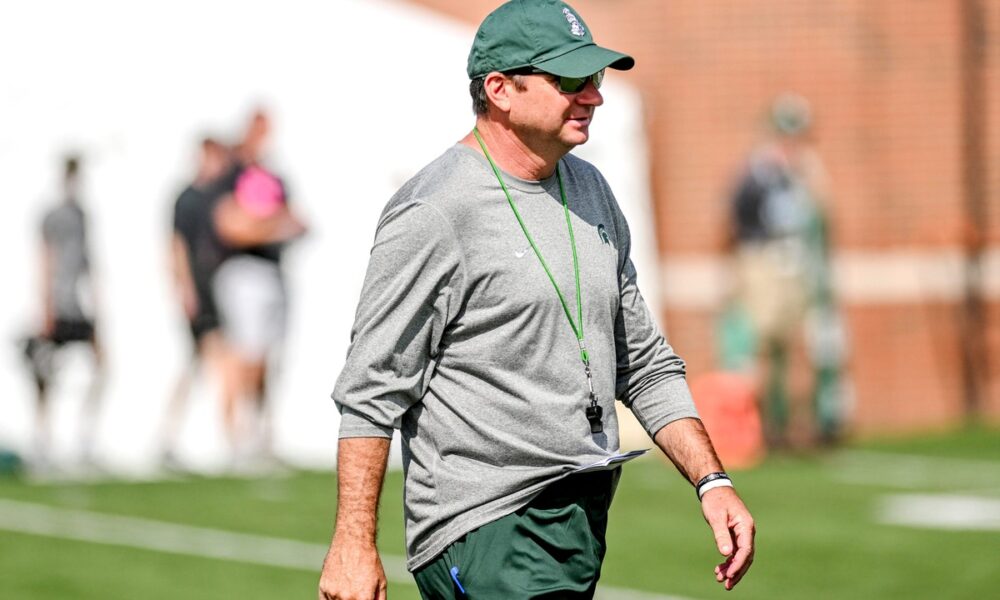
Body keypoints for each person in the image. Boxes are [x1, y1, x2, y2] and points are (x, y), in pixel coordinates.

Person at [318, 1, 755, 598]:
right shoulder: (434, 211)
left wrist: (713, 483)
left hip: (579, 516)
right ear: (499, 89)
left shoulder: (593, 189)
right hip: (485, 528)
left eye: (595, 78)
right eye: (570, 79)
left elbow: (645, 363)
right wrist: (352, 542)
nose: (593, 96)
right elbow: (372, 387)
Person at [728, 93, 847, 447]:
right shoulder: (758, 171)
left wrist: (810, 174)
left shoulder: (803, 175)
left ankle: (797, 425)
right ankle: (763, 428)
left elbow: (826, 215)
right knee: (765, 346)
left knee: (796, 347)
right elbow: (737, 221)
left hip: (796, 267)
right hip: (764, 263)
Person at [211, 110, 306, 467]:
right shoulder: (232, 176)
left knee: (268, 360)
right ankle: (236, 439)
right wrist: (271, 227)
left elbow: (297, 221)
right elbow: (232, 227)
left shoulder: (275, 177)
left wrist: (265, 225)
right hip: (243, 274)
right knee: (243, 358)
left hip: (272, 272)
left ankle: (261, 437)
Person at [21, 155, 104, 472]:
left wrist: (97, 305)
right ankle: (42, 440)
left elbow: (89, 262)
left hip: (79, 305)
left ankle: (85, 438)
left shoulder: (83, 215)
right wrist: (45, 306)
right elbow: (45, 258)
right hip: (57, 304)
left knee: (100, 367)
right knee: (44, 375)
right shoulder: (52, 216)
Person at [160, 137, 232, 468]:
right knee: (214, 362)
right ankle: (229, 438)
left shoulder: (216, 197)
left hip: (214, 289)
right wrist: (184, 288)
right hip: (198, 293)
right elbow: (176, 245)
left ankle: (172, 437)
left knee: (200, 364)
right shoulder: (187, 199)